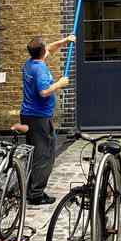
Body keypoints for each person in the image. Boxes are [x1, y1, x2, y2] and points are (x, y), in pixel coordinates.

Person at [20, 34, 75, 205]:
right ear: (42, 52)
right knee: (44, 155)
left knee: (34, 152)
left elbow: (50, 47)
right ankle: (36, 194)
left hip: (27, 115)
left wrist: (66, 40)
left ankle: (29, 188)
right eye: (46, 48)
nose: (48, 49)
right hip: (39, 117)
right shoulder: (40, 69)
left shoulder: (29, 63)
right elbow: (43, 92)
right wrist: (60, 83)